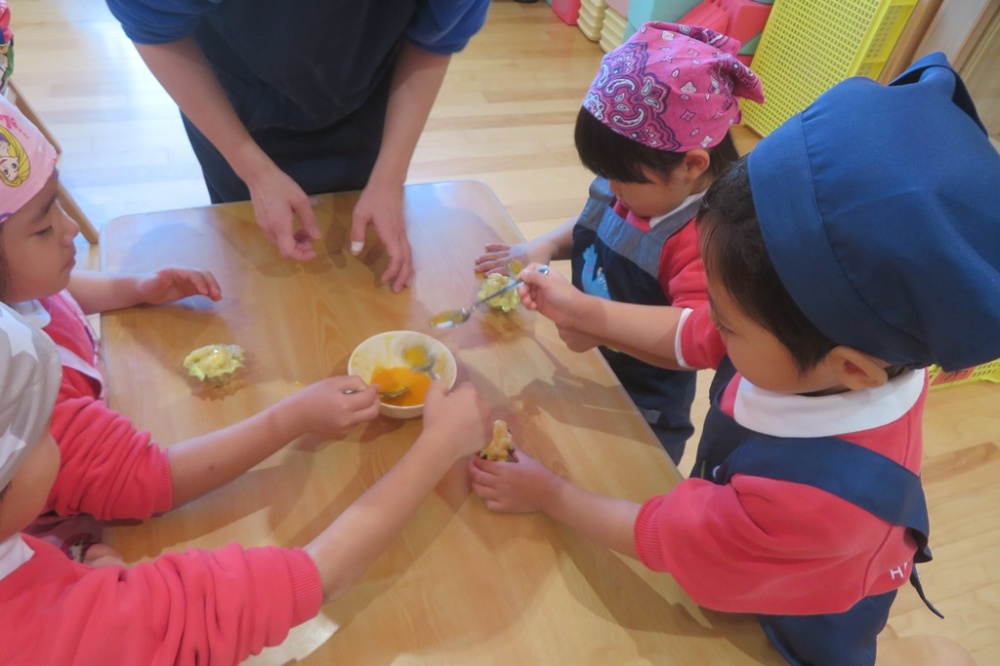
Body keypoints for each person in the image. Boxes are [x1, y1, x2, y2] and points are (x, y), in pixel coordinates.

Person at [469, 53, 1000, 665]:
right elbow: (699, 337)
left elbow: (667, 537)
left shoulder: (811, 503)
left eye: (724, 321)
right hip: (741, 536)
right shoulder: (851, 348)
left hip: (795, 628)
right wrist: (590, 316)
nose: (712, 327)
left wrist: (550, 494)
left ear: (853, 369)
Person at [0, 92, 390, 560]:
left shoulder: (17, 295)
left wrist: (133, 288)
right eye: (43, 228)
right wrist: (291, 418)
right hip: (67, 537)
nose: (70, 230)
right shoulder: (25, 399)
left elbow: (52, 297)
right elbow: (145, 479)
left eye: (58, 207)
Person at [0, 300, 492, 663]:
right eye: (44, 429)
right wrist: (440, 445)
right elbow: (315, 577)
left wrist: (85, 577)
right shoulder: (60, 637)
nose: (60, 438)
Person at [474, 23, 763, 463]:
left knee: (623, 473)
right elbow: (595, 223)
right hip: (586, 362)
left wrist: (593, 322)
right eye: (604, 174)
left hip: (642, 405)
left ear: (691, 165)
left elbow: (698, 339)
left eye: (623, 179)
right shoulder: (633, 186)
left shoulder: (703, 240)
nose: (611, 189)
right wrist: (542, 246)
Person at [104, 0, 491, 291]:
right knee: (260, 276)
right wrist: (253, 170)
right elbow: (156, 30)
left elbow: (436, 39)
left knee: (355, 275)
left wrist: (390, 178)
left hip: (366, 93)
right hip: (233, 104)